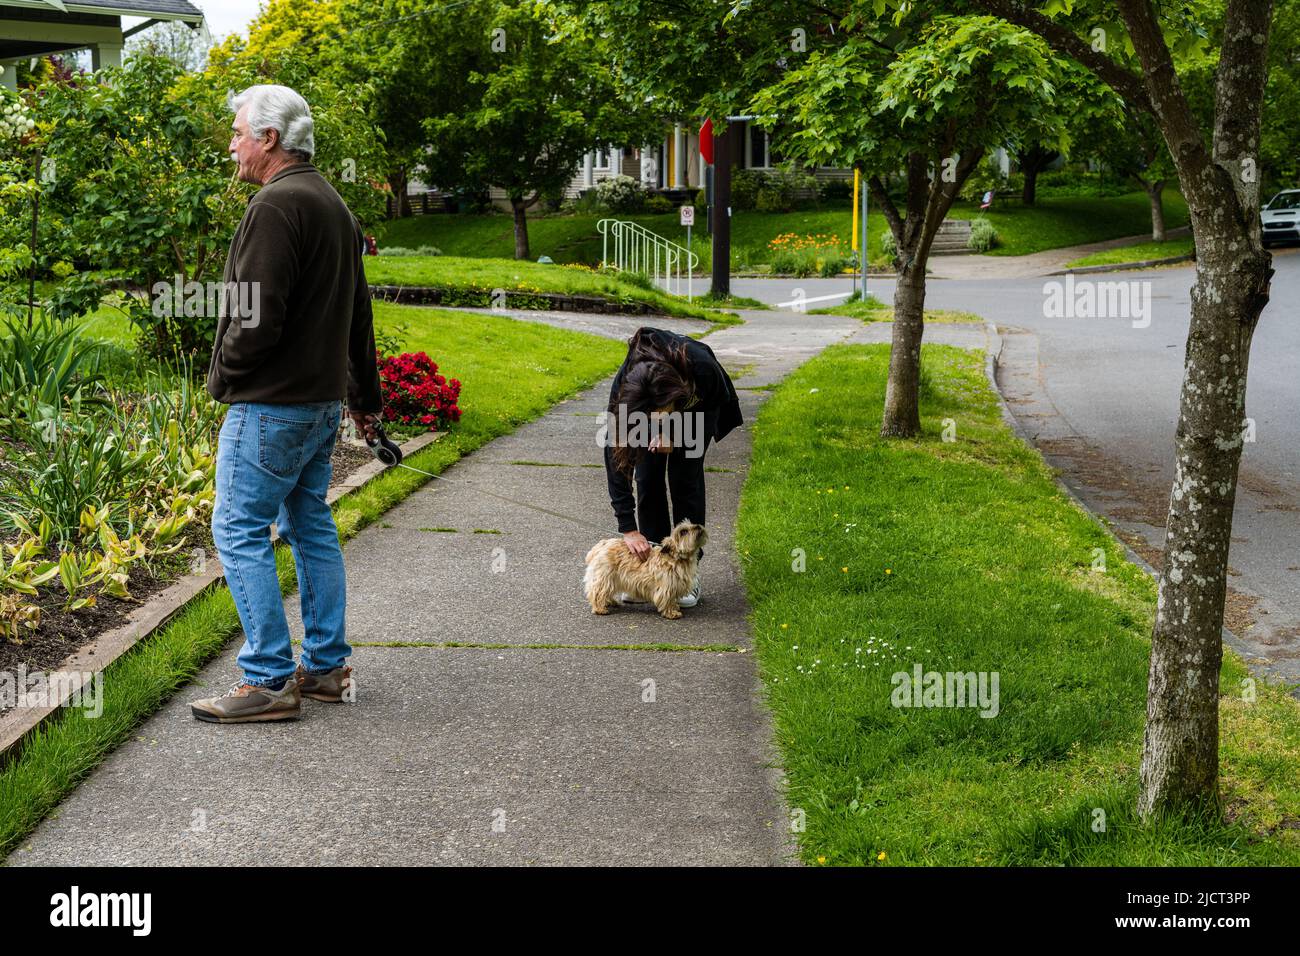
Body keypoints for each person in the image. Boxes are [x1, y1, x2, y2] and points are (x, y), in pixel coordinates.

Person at [191, 84, 383, 723]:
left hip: (271, 406)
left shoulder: (276, 206)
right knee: (310, 525)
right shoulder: (332, 204)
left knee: (237, 529)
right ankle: (326, 669)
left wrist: (222, 380)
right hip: (319, 404)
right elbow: (359, 314)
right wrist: (364, 398)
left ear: (270, 138)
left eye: (239, 132)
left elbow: (254, 317)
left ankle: (269, 679)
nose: (233, 144)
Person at [602, 327, 742, 608]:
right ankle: (652, 570)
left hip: (698, 409)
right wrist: (628, 528)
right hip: (661, 402)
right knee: (648, 476)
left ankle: (689, 570)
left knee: (684, 479)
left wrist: (675, 435)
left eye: (657, 415)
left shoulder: (702, 369)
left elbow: (716, 400)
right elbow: (616, 457)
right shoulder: (628, 389)